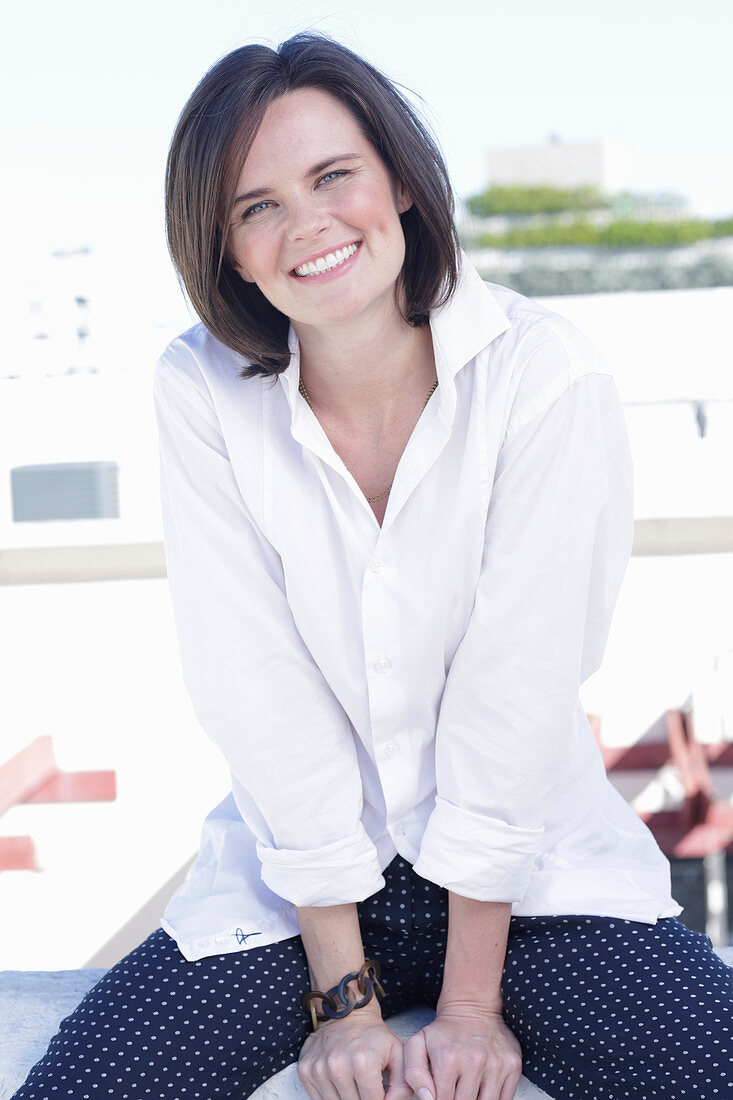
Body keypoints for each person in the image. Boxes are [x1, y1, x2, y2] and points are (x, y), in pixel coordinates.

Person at [13, 31, 732, 1100]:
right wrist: (344, 999)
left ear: (396, 180)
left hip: (531, 876)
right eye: (255, 206)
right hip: (296, 890)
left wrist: (470, 1007)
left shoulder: (543, 377)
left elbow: (518, 686)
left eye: (331, 175)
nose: (306, 225)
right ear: (226, 251)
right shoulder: (201, 391)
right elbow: (255, 685)